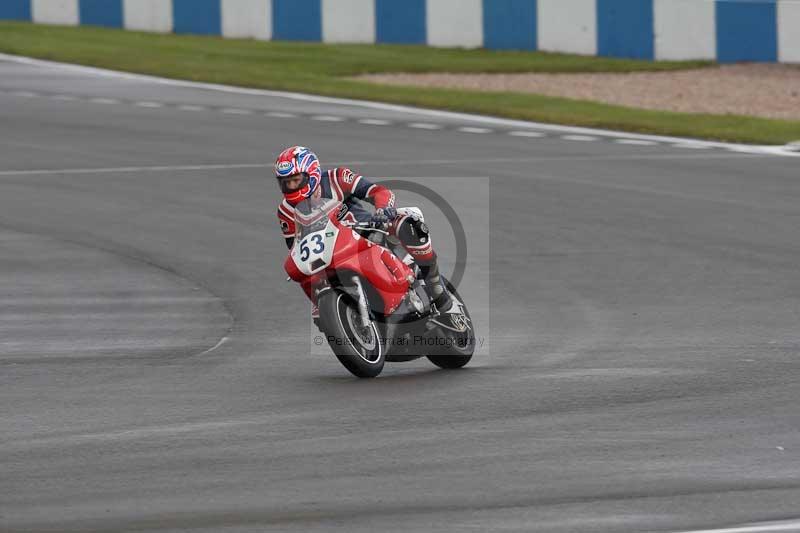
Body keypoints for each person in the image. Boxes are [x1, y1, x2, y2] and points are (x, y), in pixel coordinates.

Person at [275, 145, 451, 313]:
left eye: (295, 180)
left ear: (311, 174)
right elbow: (296, 246)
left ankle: (434, 283)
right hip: (332, 254)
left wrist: (382, 209)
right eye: (285, 183)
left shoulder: (337, 178)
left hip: (369, 231)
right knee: (317, 309)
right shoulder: (285, 211)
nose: (290, 187)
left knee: (409, 220)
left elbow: (377, 191)